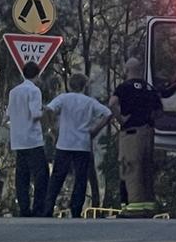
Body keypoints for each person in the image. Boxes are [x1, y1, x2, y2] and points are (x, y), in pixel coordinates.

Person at [43, 73, 112, 218]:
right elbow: (107, 114)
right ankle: (76, 208)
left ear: (69, 85)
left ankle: (47, 207)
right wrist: (95, 130)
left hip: (64, 143)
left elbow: (48, 109)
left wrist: (53, 129)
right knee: (80, 178)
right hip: (82, 144)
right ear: (84, 86)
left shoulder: (64, 98)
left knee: (57, 177)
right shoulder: (89, 102)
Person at [109, 57, 163, 216]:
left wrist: (121, 119)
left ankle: (134, 207)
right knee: (146, 168)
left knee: (130, 168)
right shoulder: (149, 88)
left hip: (131, 133)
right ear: (140, 71)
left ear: (126, 71)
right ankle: (148, 206)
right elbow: (160, 110)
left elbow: (112, 103)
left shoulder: (124, 87)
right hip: (148, 133)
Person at [7, 62, 49, 217]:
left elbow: (9, 114)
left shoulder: (14, 92)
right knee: (41, 174)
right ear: (37, 75)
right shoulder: (34, 91)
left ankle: (24, 208)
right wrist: (44, 111)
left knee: (22, 176)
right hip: (33, 139)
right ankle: (39, 207)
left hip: (18, 139)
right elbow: (35, 114)